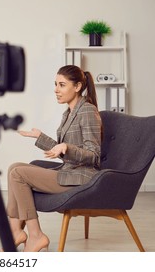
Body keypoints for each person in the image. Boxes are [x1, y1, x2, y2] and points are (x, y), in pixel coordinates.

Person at [6, 65, 102, 252]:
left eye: (62, 85)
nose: (56, 90)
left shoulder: (87, 111)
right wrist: (40, 137)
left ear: (77, 86)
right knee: (14, 167)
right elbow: (61, 149)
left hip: (80, 178)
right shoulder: (69, 113)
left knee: (18, 173)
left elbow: (94, 155)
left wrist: (67, 147)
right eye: (55, 84)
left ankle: (35, 236)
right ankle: (15, 230)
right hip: (69, 171)